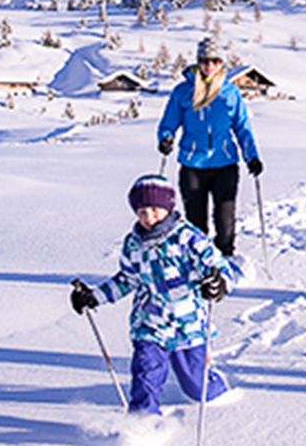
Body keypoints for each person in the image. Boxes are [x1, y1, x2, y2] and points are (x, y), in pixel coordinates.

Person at [70, 173, 233, 416]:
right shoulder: (133, 244)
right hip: (150, 323)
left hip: (187, 325)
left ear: (168, 207)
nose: (149, 218)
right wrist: (95, 297)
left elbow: (219, 267)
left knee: (196, 387)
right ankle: (143, 421)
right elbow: (127, 279)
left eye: (156, 210)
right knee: (146, 374)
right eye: (142, 212)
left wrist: (217, 283)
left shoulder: (188, 238)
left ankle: (214, 386)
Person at [156, 35, 262, 263]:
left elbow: (242, 128)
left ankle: (225, 262)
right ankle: (199, 264)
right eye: (205, 60)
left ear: (221, 63)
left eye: (215, 61)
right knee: (196, 222)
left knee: (225, 222)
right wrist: (166, 138)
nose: (209, 66)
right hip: (192, 165)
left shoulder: (230, 93)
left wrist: (251, 157)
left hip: (225, 165)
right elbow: (169, 122)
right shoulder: (183, 92)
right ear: (198, 62)